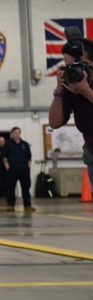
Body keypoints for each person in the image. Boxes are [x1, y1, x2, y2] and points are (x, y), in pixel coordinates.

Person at [49, 34, 93, 189]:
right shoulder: (71, 88)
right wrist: (60, 90)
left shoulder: (81, 88)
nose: (75, 70)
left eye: (79, 64)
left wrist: (86, 91)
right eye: (69, 66)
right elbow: (54, 123)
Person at [2, 126, 35, 212]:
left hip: (24, 169)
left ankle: (27, 205)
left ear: (20, 133)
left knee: (26, 187)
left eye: (18, 133)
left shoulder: (25, 144)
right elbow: (4, 156)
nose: (17, 134)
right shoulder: (8, 144)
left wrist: (28, 166)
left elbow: (29, 156)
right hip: (12, 169)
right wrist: (7, 167)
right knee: (10, 188)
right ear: (12, 134)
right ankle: (11, 205)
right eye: (15, 133)